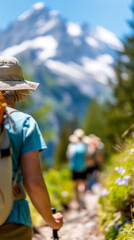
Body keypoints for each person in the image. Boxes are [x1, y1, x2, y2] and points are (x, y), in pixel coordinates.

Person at [0, 56, 63, 240]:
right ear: (19, 91)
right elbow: (33, 183)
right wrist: (52, 221)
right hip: (11, 220)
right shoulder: (24, 123)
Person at [66, 129, 87, 209]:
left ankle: (78, 202)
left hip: (74, 168)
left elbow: (68, 157)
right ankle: (83, 200)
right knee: (84, 183)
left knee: (76, 185)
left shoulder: (71, 146)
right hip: (83, 167)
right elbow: (87, 157)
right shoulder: (84, 145)